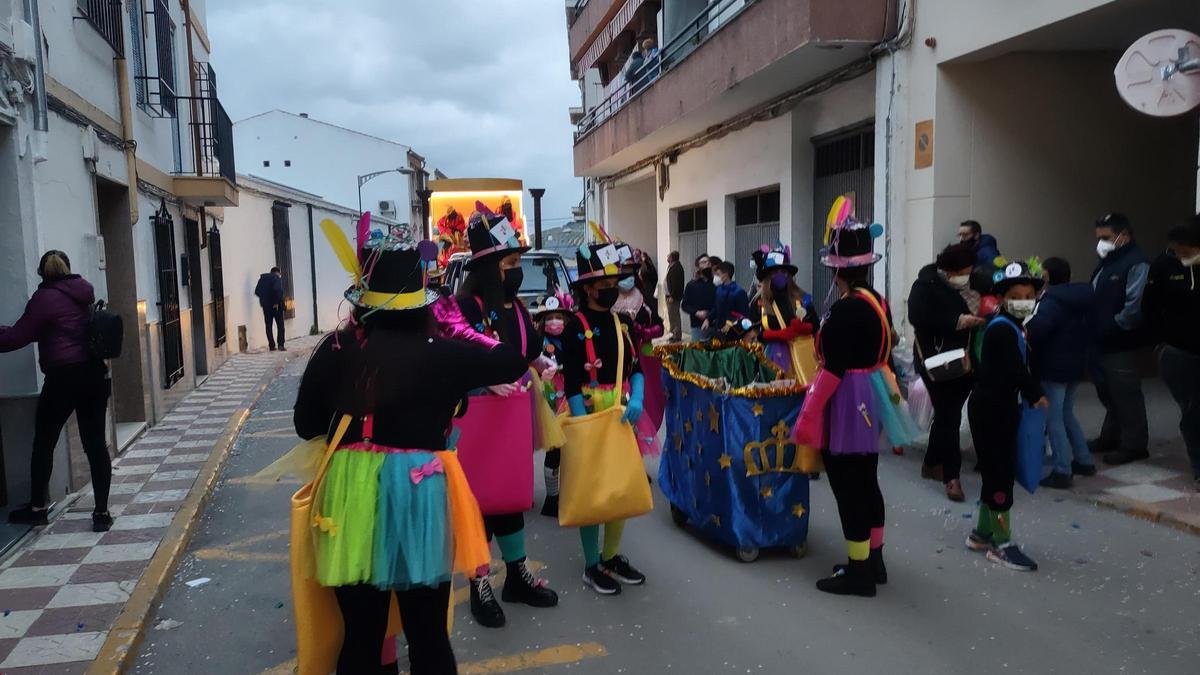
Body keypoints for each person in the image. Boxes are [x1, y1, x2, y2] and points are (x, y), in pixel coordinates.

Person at [293, 225, 529, 674]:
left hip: (350, 495)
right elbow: (513, 359)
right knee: (428, 634)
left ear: (364, 297)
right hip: (420, 492)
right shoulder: (442, 352)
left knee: (360, 638)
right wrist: (496, 289)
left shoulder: (336, 348)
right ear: (423, 298)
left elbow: (306, 426)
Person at [792, 216, 913, 597]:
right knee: (867, 480)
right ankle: (874, 559)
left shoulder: (845, 310)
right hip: (871, 392)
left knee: (849, 486)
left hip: (847, 397)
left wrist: (810, 411)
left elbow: (833, 367)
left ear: (837, 271)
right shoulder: (875, 302)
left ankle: (859, 569)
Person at [454, 212, 559, 628]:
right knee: (479, 504)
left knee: (512, 497)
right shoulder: (461, 309)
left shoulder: (514, 310)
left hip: (512, 418)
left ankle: (516, 575)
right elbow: (448, 363)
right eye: (510, 265)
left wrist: (543, 362)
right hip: (475, 421)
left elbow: (528, 350)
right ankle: (479, 581)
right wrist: (482, 381)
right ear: (488, 267)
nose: (517, 273)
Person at [0, 251, 114, 532]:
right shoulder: (83, 293)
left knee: (45, 441)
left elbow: (17, 336)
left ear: (42, 273)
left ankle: (37, 508)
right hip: (93, 374)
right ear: (68, 268)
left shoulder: (44, 298)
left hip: (63, 377)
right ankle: (101, 513)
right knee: (95, 445)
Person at [562, 242, 648, 595]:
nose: (612, 287)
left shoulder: (622, 324)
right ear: (587, 288)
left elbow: (637, 367)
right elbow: (569, 381)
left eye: (615, 279)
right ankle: (591, 564)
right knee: (592, 492)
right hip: (588, 416)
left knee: (618, 488)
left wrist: (638, 396)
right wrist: (584, 425)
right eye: (604, 281)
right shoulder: (573, 327)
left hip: (619, 414)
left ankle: (611, 555)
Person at [966, 261, 1048, 572]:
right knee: (1000, 475)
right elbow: (1015, 369)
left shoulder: (1010, 325)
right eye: (1017, 294)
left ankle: (982, 533)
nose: (1024, 300)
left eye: (1029, 294)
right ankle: (1002, 544)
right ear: (1002, 297)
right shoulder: (1002, 329)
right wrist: (1035, 392)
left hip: (995, 406)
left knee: (993, 471)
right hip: (993, 410)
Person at [907, 243, 984, 502]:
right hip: (935, 362)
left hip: (965, 361)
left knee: (945, 414)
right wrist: (957, 321)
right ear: (949, 270)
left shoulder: (974, 284)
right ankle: (952, 477)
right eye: (963, 270)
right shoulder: (925, 285)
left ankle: (931, 462)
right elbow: (917, 317)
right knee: (949, 416)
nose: (967, 274)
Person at [1026, 257, 1096, 489]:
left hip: (1053, 367)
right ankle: (1084, 460)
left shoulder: (1051, 302)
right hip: (1076, 364)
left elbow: (1038, 330)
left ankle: (1062, 470)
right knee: (1067, 414)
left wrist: (1025, 328)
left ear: (1046, 277)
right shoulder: (1082, 297)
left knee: (1053, 418)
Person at [1090, 213, 1151, 466]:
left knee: (1126, 393)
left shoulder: (1136, 263)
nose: (1101, 243)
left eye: (1106, 238)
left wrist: (1111, 327)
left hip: (1121, 340)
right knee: (1108, 391)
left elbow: (1133, 307)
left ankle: (1134, 444)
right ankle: (1111, 436)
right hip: (1101, 339)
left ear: (1123, 235)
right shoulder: (1108, 261)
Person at [1145, 217, 1200, 486]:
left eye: (1186, 251)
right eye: (1177, 250)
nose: (1181, 256)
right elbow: (1150, 307)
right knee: (1193, 412)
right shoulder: (1164, 266)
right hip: (1178, 351)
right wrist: (1160, 343)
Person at [533, 293, 573, 518]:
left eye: (559, 317)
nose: (555, 322)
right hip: (548, 399)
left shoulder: (571, 339)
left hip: (570, 396)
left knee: (572, 445)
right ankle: (552, 496)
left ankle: (570, 492)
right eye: (550, 317)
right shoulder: (538, 342)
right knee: (554, 448)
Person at [752, 245, 817, 379]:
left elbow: (816, 325)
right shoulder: (759, 301)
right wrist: (778, 334)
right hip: (772, 360)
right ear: (768, 276)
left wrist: (803, 328)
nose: (780, 275)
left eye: (784, 271)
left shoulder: (802, 297)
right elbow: (754, 334)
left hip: (802, 358)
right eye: (775, 272)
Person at [705, 261, 750, 338]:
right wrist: (708, 319)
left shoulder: (739, 292)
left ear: (725, 275)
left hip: (734, 333)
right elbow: (716, 308)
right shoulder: (718, 290)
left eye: (718, 274)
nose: (715, 277)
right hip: (719, 330)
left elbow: (744, 315)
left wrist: (731, 324)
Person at [959, 220, 1002, 293]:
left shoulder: (989, 252)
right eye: (960, 235)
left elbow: (997, 275)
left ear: (976, 235)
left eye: (965, 235)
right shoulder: (969, 251)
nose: (961, 238)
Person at [681, 255, 715, 341]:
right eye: (703, 262)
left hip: (715, 324)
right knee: (697, 352)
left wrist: (709, 317)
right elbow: (685, 305)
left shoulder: (716, 283)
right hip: (697, 325)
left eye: (709, 262)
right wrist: (696, 312)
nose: (707, 264)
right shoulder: (691, 285)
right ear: (698, 266)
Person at [255, 266, 286, 351]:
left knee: (268, 326)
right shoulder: (276, 278)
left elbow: (257, 291)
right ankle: (280, 345)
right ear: (277, 273)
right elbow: (277, 290)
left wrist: (265, 299)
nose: (280, 276)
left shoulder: (262, 279)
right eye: (280, 274)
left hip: (266, 307)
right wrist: (275, 302)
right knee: (280, 325)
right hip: (276, 306)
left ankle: (271, 346)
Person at [665, 251, 685, 341]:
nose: (667, 258)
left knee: (674, 315)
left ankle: (677, 335)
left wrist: (672, 296)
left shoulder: (676, 267)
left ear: (672, 258)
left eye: (668, 256)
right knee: (671, 315)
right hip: (669, 295)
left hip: (673, 297)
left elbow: (677, 284)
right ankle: (674, 333)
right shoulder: (672, 266)